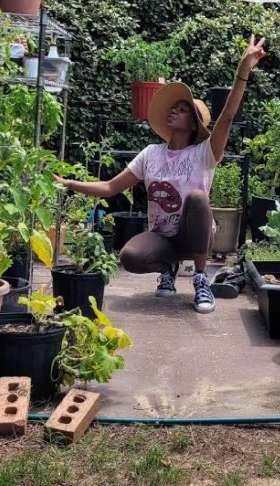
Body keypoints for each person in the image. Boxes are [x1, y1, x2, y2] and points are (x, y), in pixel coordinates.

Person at [56, 34, 267, 313]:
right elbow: (110, 187)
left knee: (197, 198)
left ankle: (200, 279)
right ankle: (168, 268)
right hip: (163, 238)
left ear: (194, 124)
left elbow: (227, 116)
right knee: (130, 257)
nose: (174, 111)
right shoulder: (151, 153)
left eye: (182, 110)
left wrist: (243, 70)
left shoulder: (204, 152)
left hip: (196, 237)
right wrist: (69, 183)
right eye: (173, 108)